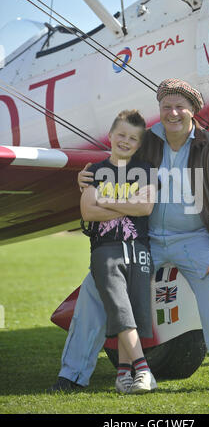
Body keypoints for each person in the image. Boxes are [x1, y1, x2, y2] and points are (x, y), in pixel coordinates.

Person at [49, 78, 209, 392]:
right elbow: (115, 163)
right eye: (166, 106)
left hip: (194, 239)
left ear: (194, 110)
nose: (173, 112)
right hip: (143, 237)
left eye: (180, 106)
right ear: (160, 109)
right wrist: (91, 176)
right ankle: (71, 375)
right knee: (95, 286)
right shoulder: (146, 140)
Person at [58, 109, 157, 394]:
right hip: (106, 248)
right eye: (121, 135)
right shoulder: (94, 170)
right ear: (111, 135)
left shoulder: (146, 171)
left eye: (133, 139)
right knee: (119, 306)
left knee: (135, 312)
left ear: (139, 144)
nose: (125, 141)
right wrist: (125, 199)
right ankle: (144, 369)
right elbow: (88, 211)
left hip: (138, 247)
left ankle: (123, 375)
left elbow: (145, 208)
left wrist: (106, 198)